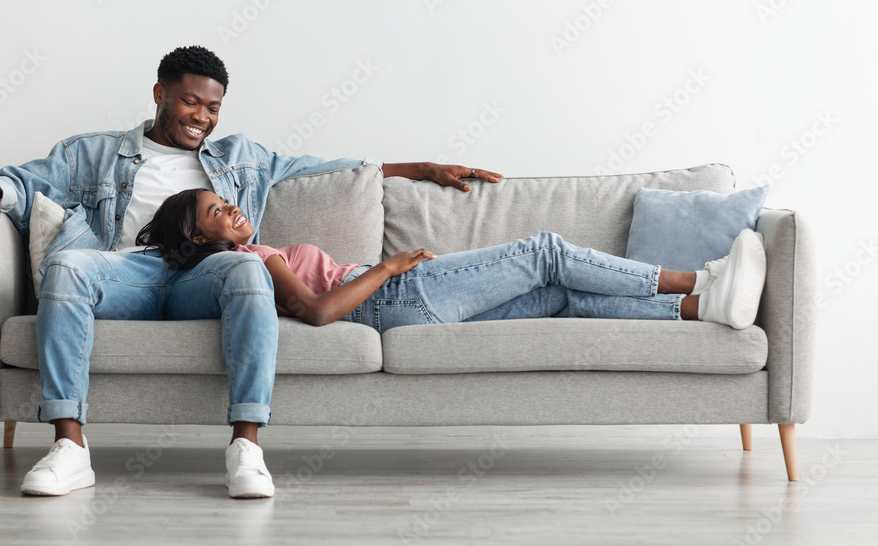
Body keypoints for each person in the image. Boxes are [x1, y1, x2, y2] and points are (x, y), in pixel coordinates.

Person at [0, 46, 502, 499]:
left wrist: (424, 168)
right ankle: (71, 448)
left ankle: (246, 447)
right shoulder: (94, 153)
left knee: (246, 266)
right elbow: (24, 179)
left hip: (204, 276)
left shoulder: (242, 158)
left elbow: (336, 168)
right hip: (126, 275)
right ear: (160, 94)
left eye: (212, 109)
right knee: (68, 264)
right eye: (191, 102)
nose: (202, 118)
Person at [137, 189, 767, 334]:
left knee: (558, 298)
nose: (232, 211)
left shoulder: (241, 259)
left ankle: (697, 307)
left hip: (397, 309)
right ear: (199, 237)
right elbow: (316, 312)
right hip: (387, 297)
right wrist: (386, 268)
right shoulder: (252, 259)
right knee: (544, 251)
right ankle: (701, 275)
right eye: (215, 213)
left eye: (226, 202)